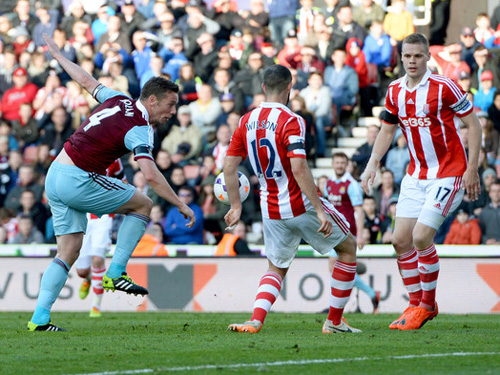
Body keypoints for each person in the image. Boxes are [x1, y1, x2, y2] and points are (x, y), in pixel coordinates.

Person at [27, 34, 195, 332]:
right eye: (170, 105)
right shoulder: (140, 128)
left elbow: (86, 81)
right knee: (143, 203)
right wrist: (181, 204)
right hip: (77, 178)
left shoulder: (118, 99)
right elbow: (151, 175)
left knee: (68, 250)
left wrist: (59, 57)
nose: (172, 112)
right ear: (152, 100)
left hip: (55, 173)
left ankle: (39, 318)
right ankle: (116, 271)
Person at [224, 64, 360, 334]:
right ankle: (334, 321)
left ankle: (255, 320)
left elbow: (229, 167)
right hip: (299, 202)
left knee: (276, 267)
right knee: (348, 248)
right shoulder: (291, 120)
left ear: (263, 88)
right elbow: (298, 167)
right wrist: (320, 210)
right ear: (289, 88)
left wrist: (236, 206)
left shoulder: (245, 120)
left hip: (269, 207)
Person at [361, 33, 481, 331]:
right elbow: (388, 131)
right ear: (401, 57)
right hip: (416, 176)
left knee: (420, 236)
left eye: (417, 55)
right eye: (407, 56)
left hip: (449, 172)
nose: (412, 61)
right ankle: (417, 304)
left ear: (428, 57)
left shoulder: (444, 87)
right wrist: (373, 162)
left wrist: (473, 168)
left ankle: (426, 305)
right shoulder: (394, 91)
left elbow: (474, 124)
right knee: (399, 240)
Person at [75, 159, 126, 319]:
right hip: (82, 216)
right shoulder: (80, 154)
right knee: (82, 271)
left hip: (104, 216)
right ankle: (88, 279)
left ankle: (95, 306)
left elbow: (123, 181)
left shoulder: (114, 159)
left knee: (98, 260)